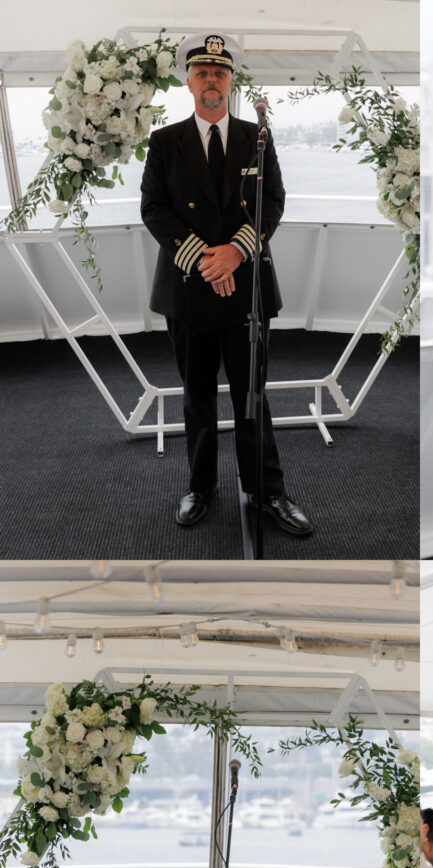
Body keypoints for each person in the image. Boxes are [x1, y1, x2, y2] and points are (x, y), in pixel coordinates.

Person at [140, 33, 312, 535]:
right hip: (189, 286)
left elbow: (273, 200)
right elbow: (154, 207)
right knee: (196, 395)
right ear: (188, 81)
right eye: (202, 72)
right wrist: (204, 261)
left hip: (246, 289)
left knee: (251, 395)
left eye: (219, 72)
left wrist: (236, 252)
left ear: (231, 81)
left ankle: (268, 490)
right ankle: (201, 486)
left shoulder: (255, 136)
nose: (211, 80)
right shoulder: (164, 141)